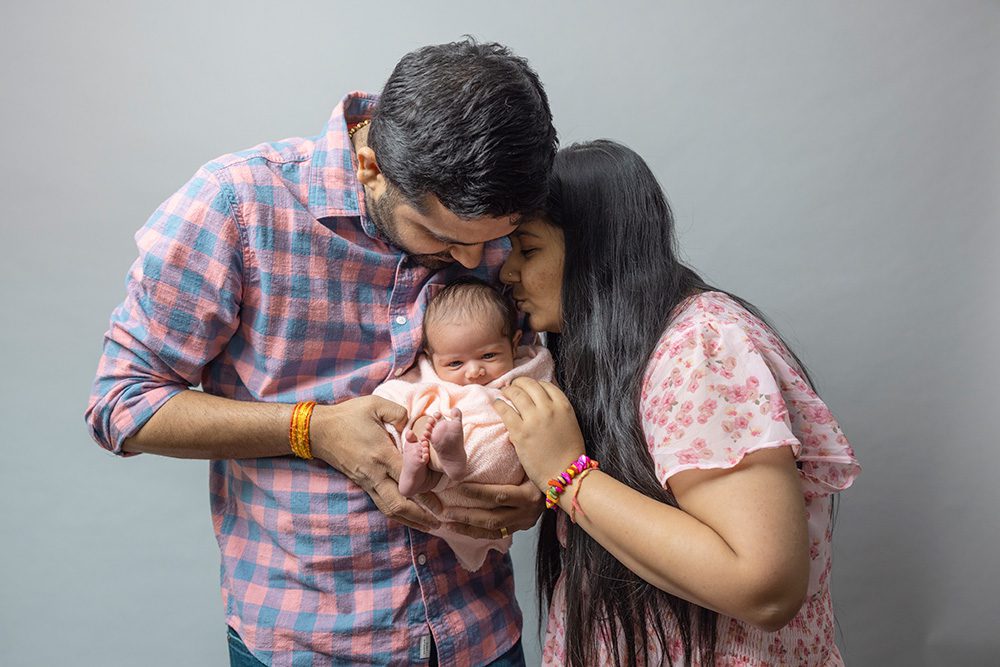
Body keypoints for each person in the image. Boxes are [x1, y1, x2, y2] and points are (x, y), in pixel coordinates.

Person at [85, 39, 557, 667]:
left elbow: (535, 379)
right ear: (370, 167)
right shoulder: (236, 206)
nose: (475, 263)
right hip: (310, 640)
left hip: (480, 632)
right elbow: (122, 405)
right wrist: (312, 429)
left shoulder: (496, 213)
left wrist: (540, 488)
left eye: (490, 242)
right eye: (442, 238)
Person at [486, 140, 860, 666]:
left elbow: (764, 587)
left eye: (528, 250)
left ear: (597, 251)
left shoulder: (699, 348)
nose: (507, 274)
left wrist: (567, 476)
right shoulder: (620, 352)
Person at [372, 278, 555, 571]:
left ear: (515, 342)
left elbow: (549, 405)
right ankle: (426, 466)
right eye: (455, 364)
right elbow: (391, 400)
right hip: (445, 451)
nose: (473, 371)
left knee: (446, 431)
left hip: (497, 467)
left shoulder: (527, 367)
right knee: (420, 425)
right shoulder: (428, 377)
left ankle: (443, 463)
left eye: (488, 356)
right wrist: (413, 426)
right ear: (431, 358)